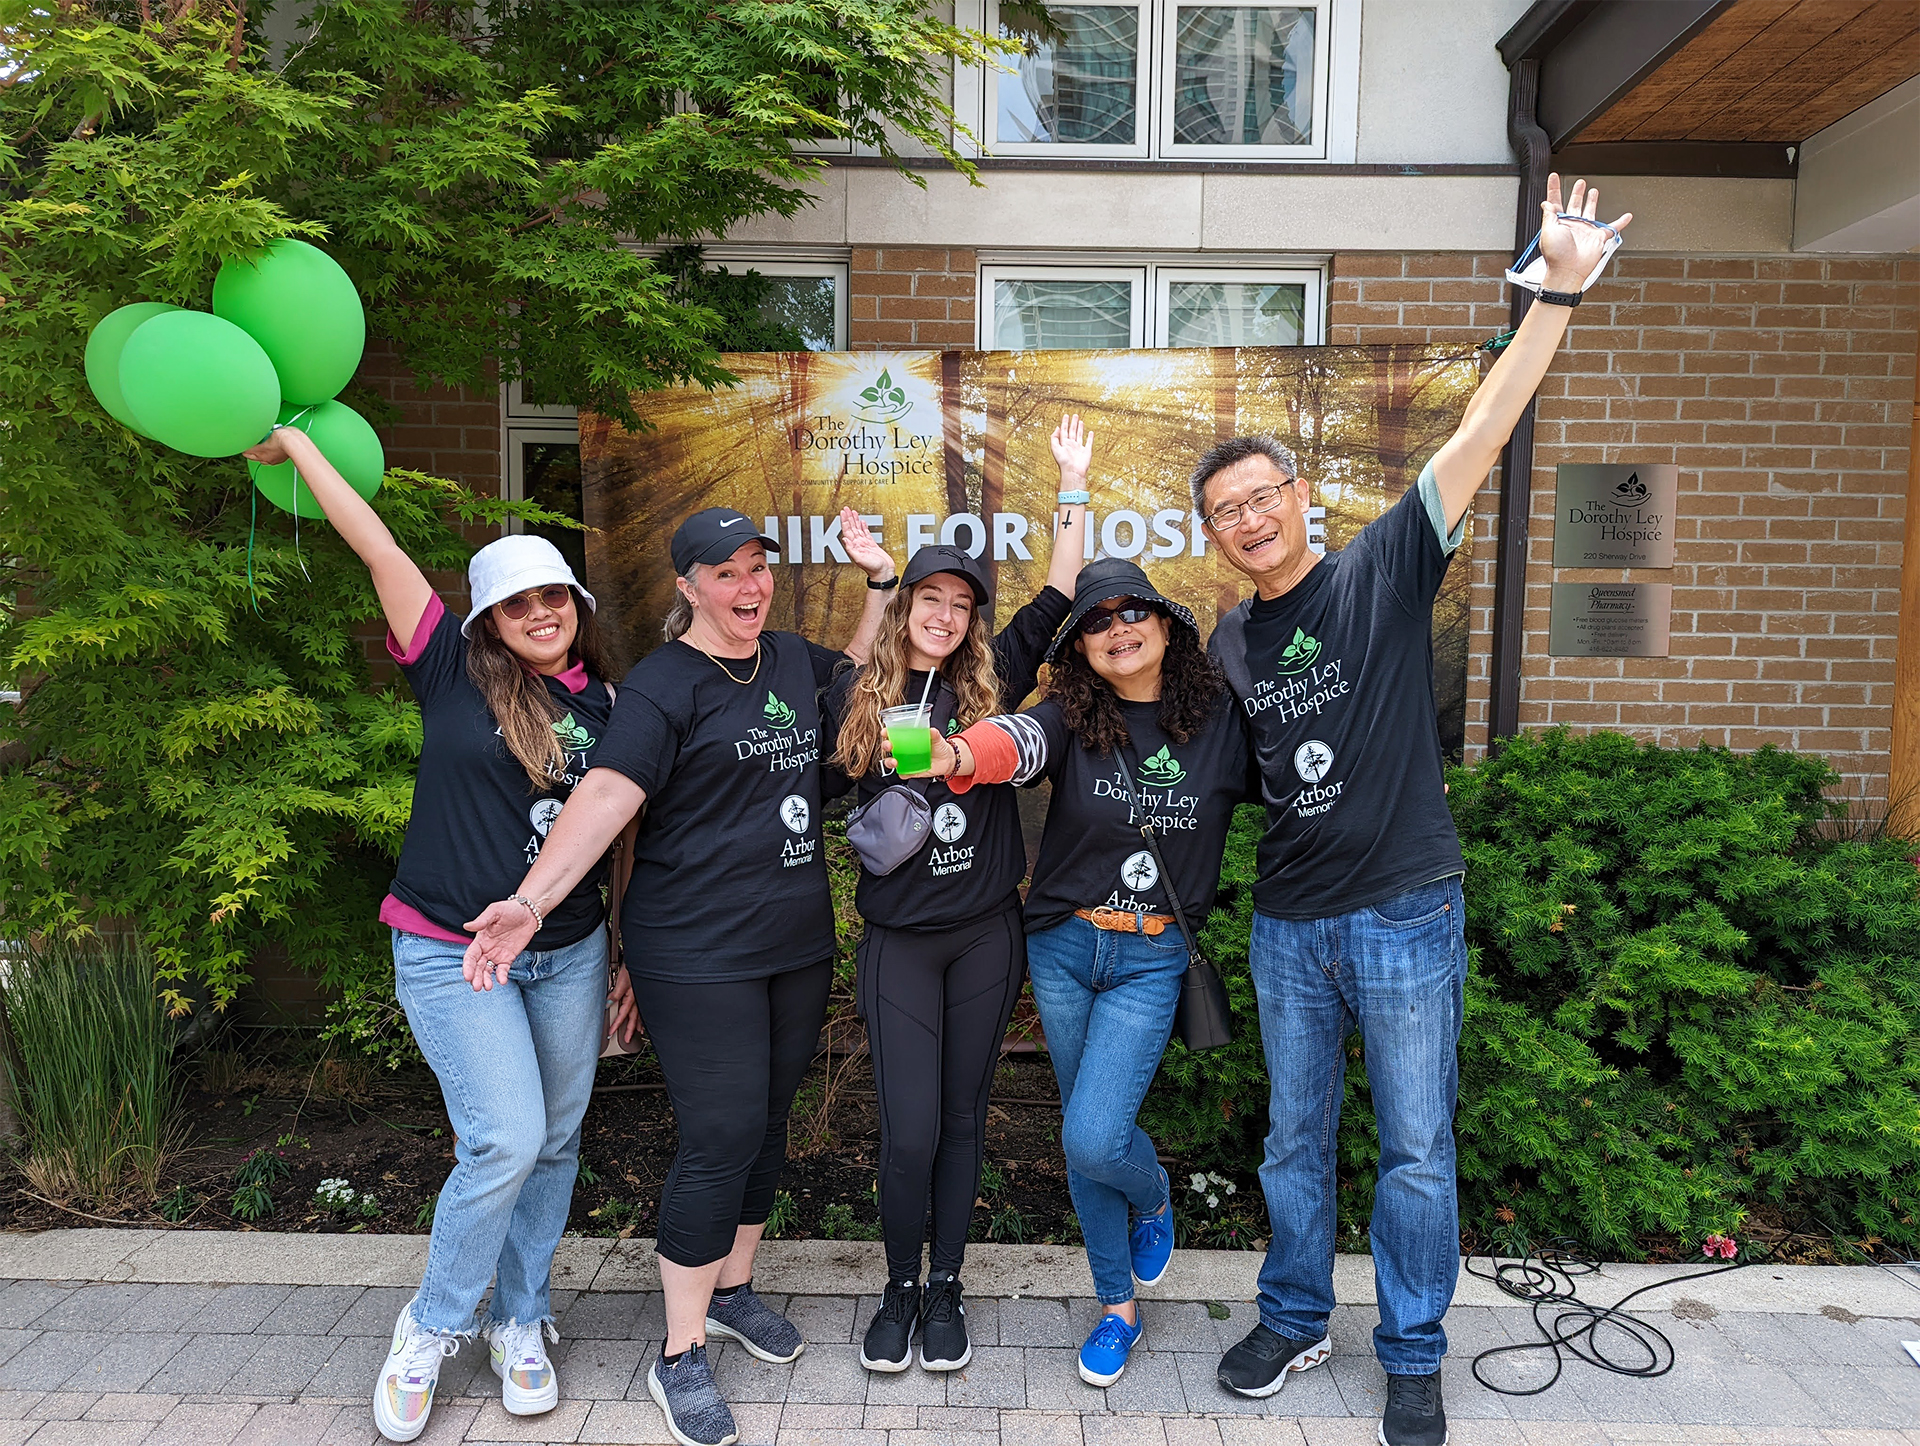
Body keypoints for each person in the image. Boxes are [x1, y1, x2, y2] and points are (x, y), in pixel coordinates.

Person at [1197, 176, 1631, 1446]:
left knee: (1418, 1152)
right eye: (1226, 513)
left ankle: (1413, 1347)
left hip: (1401, 912)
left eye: (1262, 495)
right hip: (1288, 923)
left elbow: (1486, 424)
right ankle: (1291, 1314)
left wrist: (1552, 287)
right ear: (1218, 537)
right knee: (1291, 1142)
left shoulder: (1384, 565)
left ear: (1298, 499)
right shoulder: (1231, 638)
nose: (1249, 519)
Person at [461, 505, 891, 1446]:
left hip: (793, 939)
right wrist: (531, 904)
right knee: (721, 1132)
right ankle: (679, 1350)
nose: (750, 586)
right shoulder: (661, 688)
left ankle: (734, 1288)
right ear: (688, 586)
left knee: (768, 1123)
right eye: (727, 573)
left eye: (758, 568)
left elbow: (848, 689)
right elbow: (608, 796)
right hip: (695, 951)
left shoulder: (786, 657)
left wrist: (880, 588)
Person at [238, 428, 637, 1444]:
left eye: (555, 599)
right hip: (450, 947)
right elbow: (376, 547)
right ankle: (433, 1326)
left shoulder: (619, 709)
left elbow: (621, 846)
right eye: (518, 603)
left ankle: (522, 1317)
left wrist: (626, 959)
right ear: (490, 618)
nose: (540, 614)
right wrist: (297, 446)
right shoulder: (452, 669)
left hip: (572, 950)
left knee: (551, 1142)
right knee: (502, 1135)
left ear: (577, 612)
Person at [932, 558, 1253, 1387]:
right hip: (1066, 945)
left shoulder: (1221, 720)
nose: (1117, 630)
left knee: (1094, 1134)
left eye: (1130, 613)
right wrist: (965, 751)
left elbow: (1297, 777)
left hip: (1153, 956)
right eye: (1097, 622)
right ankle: (1118, 1306)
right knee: (1086, 1139)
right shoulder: (1073, 717)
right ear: (1080, 650)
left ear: (1165, 625)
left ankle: (1151, 1197)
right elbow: (1019, 740)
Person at [824, 414, 1091, 1375]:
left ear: (975, 618)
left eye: (959, 603)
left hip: (983, 935)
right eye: (928, 598)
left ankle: (948, 1291)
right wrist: (876, 579)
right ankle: (899, 1285)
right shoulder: (855, 692)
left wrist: (1070, 483)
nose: (944, 613)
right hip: (899, 940)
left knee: (966, 1121)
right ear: (906, 608)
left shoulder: (992, 681)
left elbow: (1061, 590)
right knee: (911, 1127)